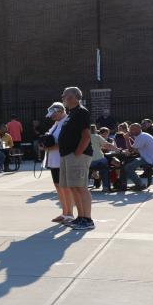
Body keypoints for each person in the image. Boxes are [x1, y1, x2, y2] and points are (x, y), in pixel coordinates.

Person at [58, 86, 94, 230]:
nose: (62, 97)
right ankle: (80, 217)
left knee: (81, 187)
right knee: (74, 187)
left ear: (72, 97)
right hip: (68, 156)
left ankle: (87, 219)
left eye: (64, 95)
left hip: (77, 156)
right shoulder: (71, 114)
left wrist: (77, 153)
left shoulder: (81, 112)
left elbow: (86, 135)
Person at [42, 102, 74, 223]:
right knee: (58, 186)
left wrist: (50, 147)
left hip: (62, 159)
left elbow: (67, 142)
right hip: (54, 160)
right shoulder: (56, 123)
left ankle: (69, 214)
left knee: (65, 187)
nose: (51, 117)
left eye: (53, 114)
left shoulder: (67, 122)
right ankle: (64, 212)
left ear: (60, 111)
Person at [122, 123, 153, 191]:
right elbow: (137, 148)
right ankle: (124, 183)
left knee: (128, 167)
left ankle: (140, 184)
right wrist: (130, 137)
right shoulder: (143, 135)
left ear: (136, 130)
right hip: (150, 158)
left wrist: (126, 139)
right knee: (128, 162)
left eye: (131, 130)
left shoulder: (141, 137)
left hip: (148, 160)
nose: (129, 131)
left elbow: (131, 150)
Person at [88, 125, 112, 193]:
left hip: (88, 161)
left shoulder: (82, 137)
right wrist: (118, 150)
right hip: (99, 159)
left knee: (88, 169)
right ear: (95, 130)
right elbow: (107, 145)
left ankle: (95, 179)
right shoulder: (97, 136)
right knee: (104, 168)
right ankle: (106, 187)